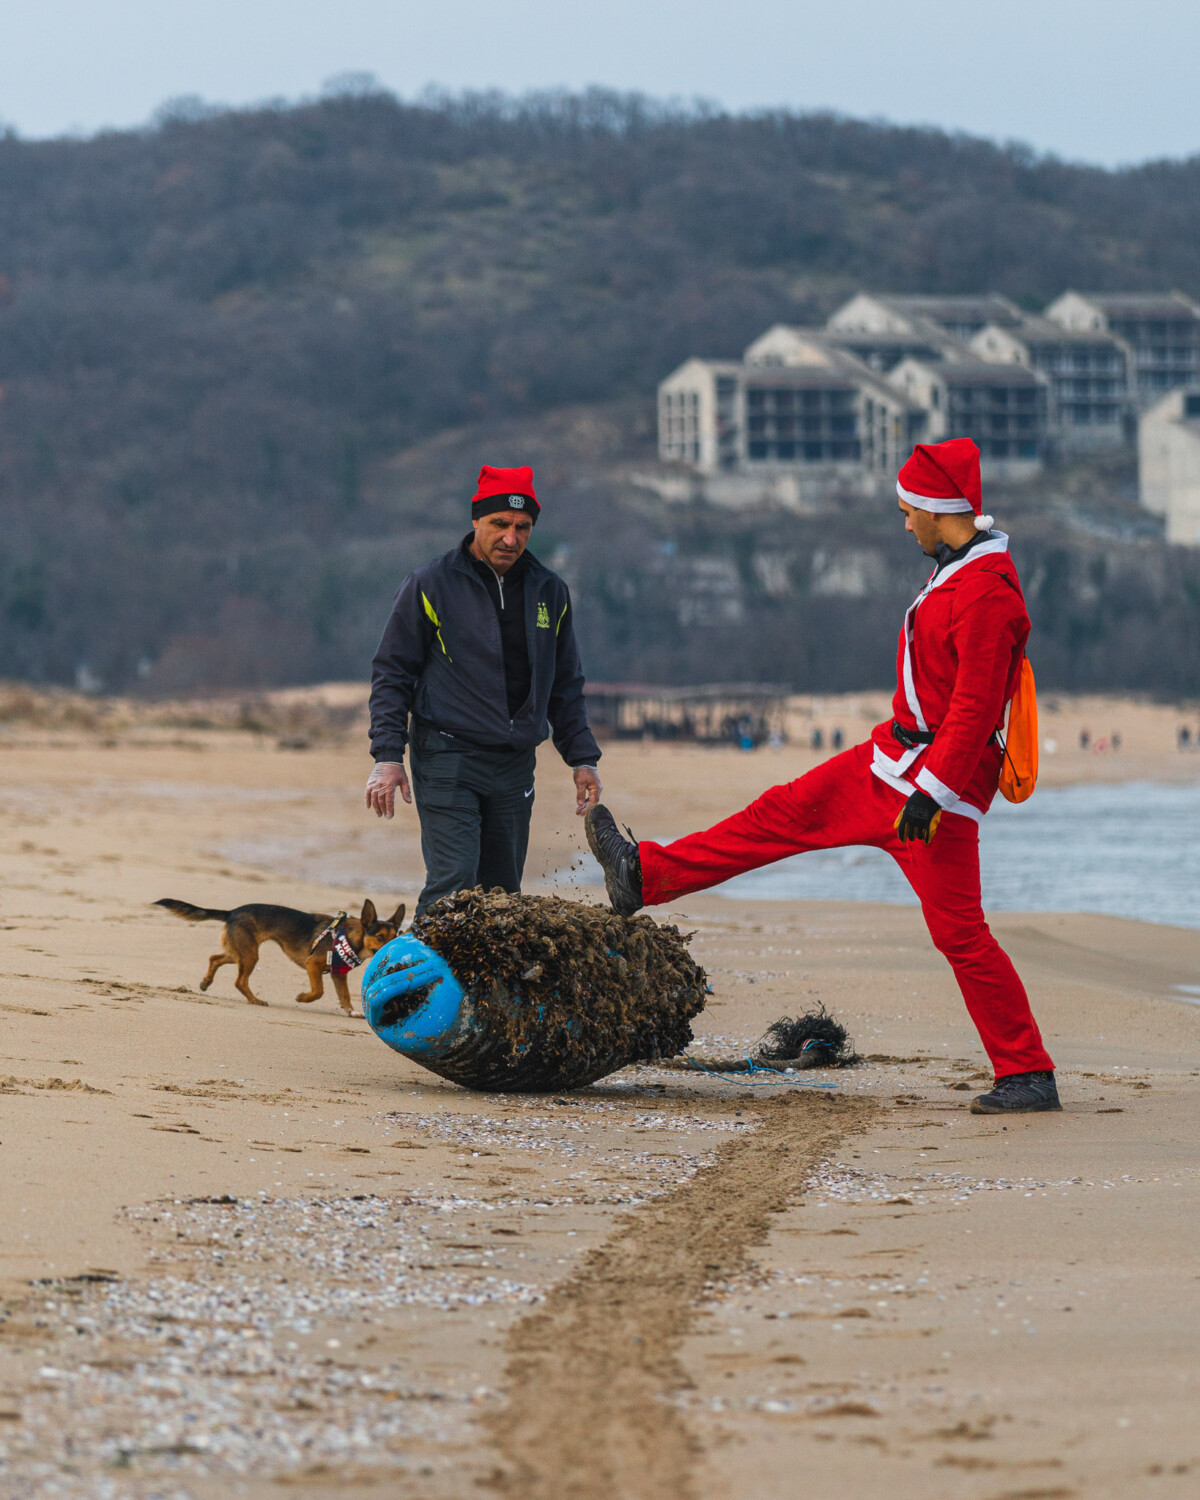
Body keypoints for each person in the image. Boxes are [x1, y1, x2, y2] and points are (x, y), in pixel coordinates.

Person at [586, 438, 1059, 1116]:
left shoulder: (987, 590)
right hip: (888, 760)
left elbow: (975, 707)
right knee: (778, 813)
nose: (903, 523)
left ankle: (1029, 1075)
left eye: (907, 510)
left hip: (930, 785)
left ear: (936, 507)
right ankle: (643, 876)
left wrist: (933, 794)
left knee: (959, 932)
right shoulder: (957, 567)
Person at [366, 464, 602, 916]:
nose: (510, 538)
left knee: (501, 896)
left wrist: (582, 758)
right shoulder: (430, 584)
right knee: (453, 885)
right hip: (446, 756)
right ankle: (421, 985)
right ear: (476, 521)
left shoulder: (550, 591)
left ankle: (482, 989)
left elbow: (565, 683)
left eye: (522, 527)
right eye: (499, 524)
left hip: (513, 765)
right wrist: (388, 756)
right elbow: (392, 673)